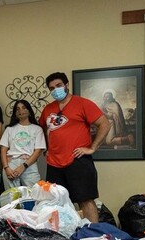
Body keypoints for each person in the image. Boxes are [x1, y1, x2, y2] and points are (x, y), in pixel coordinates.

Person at [39, 72, 111, 223]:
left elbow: (105, 124)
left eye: (58, 86)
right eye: (51, 88)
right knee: (56, 203)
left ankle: (93, 236)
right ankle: (65, 237)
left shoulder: (83, 103)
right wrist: (46, 148)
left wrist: (92, 147)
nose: (55, 90)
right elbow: (41, 129)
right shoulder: (47, 109)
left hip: (77, 160)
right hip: (54, 163)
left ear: (66, 85)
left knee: (85, 200)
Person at [0, 100, 46, 189]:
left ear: (29, 111)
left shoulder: (37, 129)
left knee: (35, 193)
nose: (21, 111)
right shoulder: (9, 129)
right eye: (18, 109)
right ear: (15, 113)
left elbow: (38, 151)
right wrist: (6, 168)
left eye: (24, 108)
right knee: (12, 195)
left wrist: (23, 166)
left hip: (29, 163)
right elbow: (3, 150)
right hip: (11, 163)